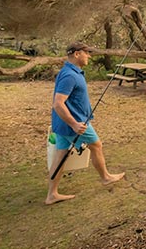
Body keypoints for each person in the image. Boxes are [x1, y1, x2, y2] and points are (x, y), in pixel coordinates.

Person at [45, 41, 125, 205]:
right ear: (76, 54)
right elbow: (58, 103)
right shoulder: (69, 75)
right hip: (73, 124)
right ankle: (106, 177)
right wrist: (74, 124)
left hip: (62, 124)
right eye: (86, 52)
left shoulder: (70, 71)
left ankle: (52, 194)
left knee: (61, 156)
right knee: (96, 145)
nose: (88, 56)